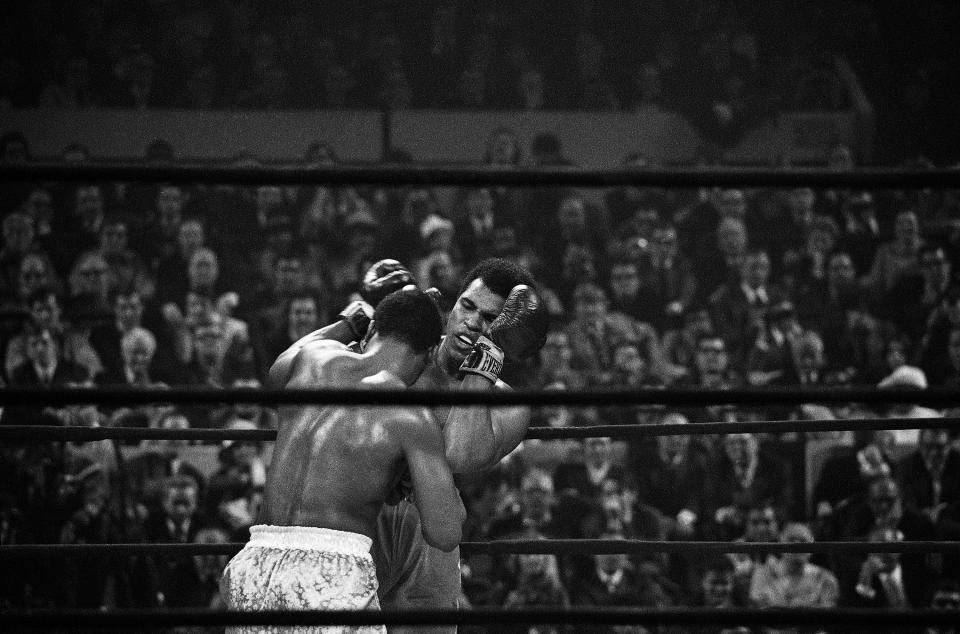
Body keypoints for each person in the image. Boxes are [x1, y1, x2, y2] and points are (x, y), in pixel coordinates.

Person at [275, 257, 549, 634]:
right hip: (355, 520)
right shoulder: (403, 349)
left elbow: (458, 453)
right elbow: (284, 371)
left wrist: (487, 358)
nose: (472, 322)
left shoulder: (508, 405)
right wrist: (358, 317)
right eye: (467, 306)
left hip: (428, 534)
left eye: (489, 319)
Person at [221, 289, 464, 633]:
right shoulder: (410, 418)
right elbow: (445, 533)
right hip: (332, 577)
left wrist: (347, 324)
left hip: (255, 565)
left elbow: (276, 372)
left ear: (372, 329)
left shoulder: (313, 359)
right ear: (427, 355)